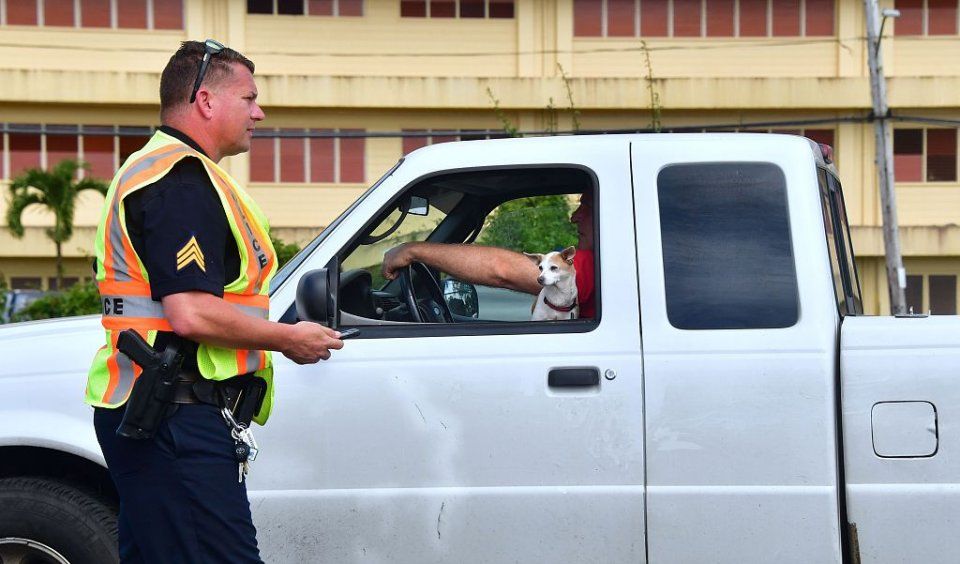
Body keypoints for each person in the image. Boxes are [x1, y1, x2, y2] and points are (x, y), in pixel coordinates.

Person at [84, 40, 343, 563]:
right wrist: (290, 339)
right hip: (173, 418)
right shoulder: (178, 180)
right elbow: (191, 312)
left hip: (161, 411)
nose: (258, 112)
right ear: (205, 101)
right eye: (248, 98)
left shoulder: (161, 169)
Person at [382, 192, 596, 318]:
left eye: (586, 205)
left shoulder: (593, 264)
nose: (574, 217)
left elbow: (500, 269)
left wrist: (412, 251)